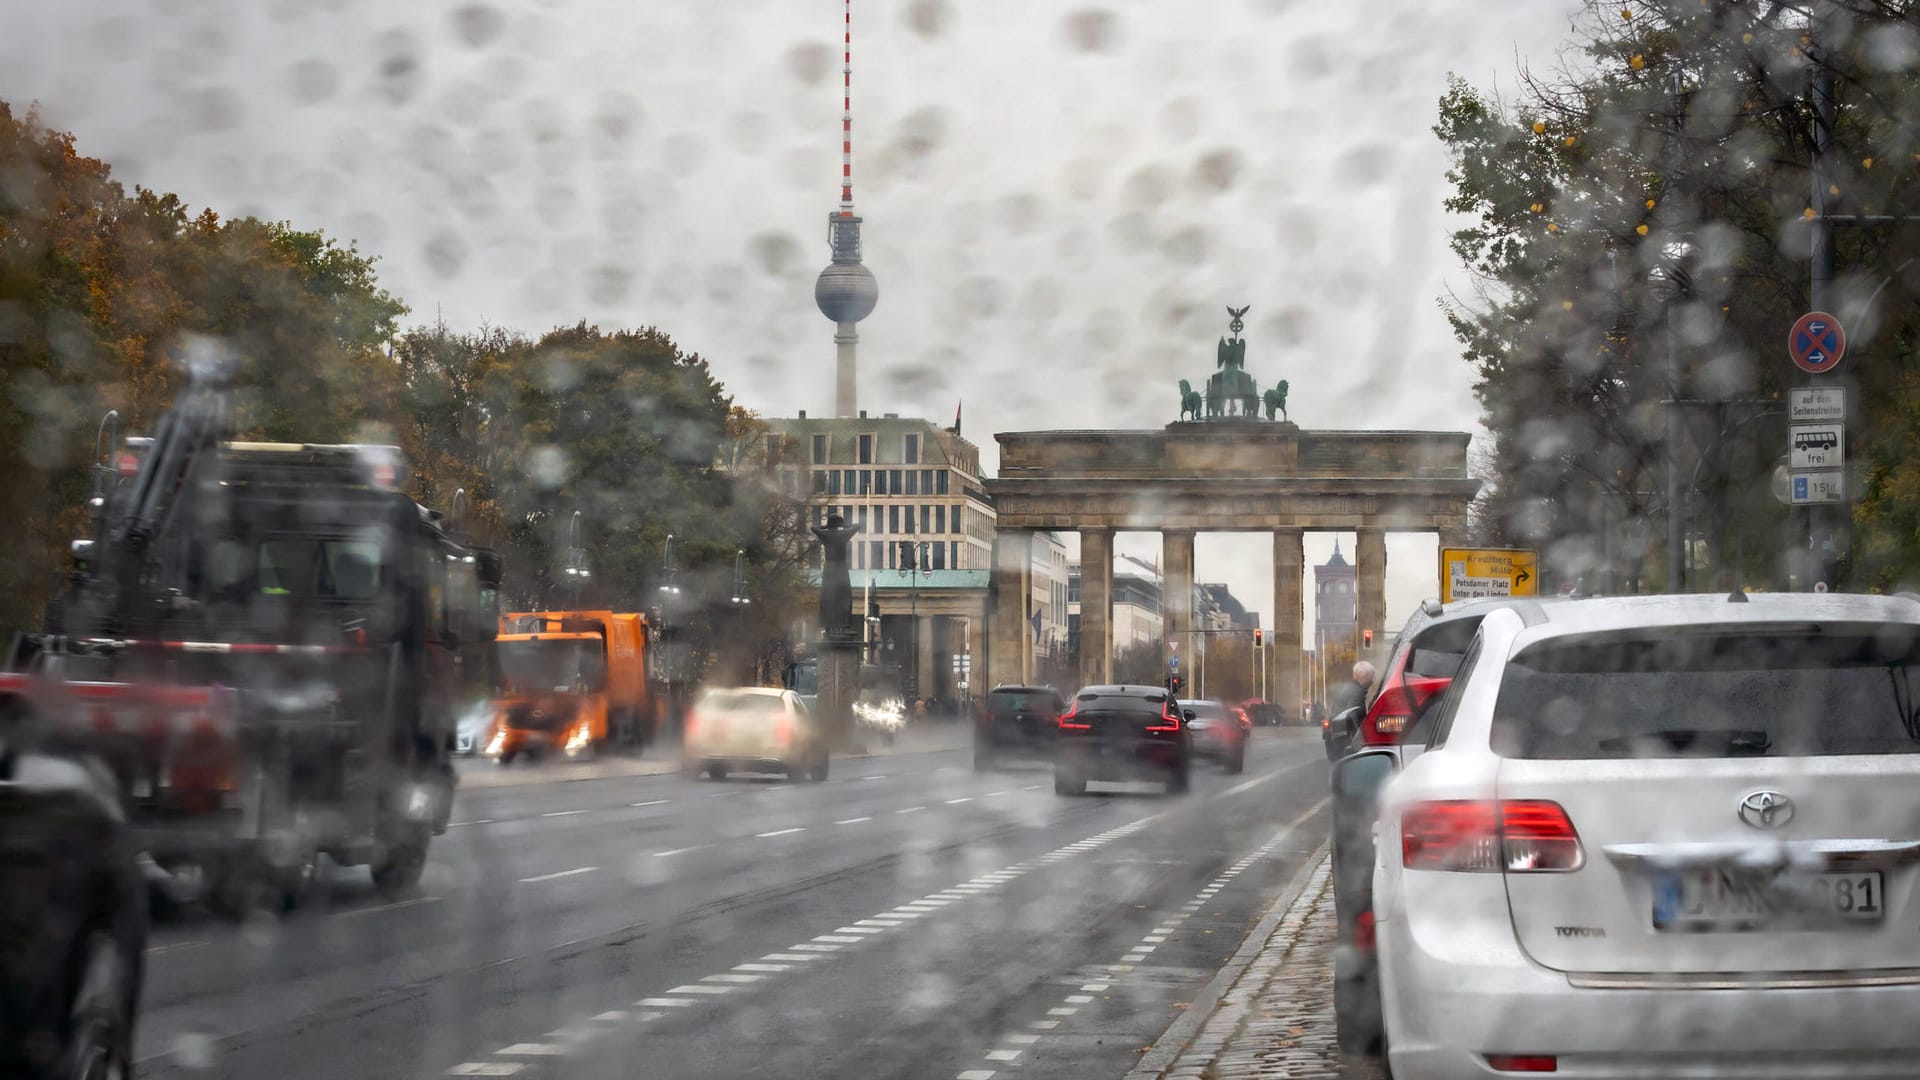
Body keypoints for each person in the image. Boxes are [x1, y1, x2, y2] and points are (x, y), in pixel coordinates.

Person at [1332, 660, 1376, 747]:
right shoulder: (1358, 692)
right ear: (1364, 676)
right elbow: (1353, 716)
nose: (1372, 681)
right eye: (1371, 677)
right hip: (1350, 741)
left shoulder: (1348, 688)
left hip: (1340, 736)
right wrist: (1360, 742)